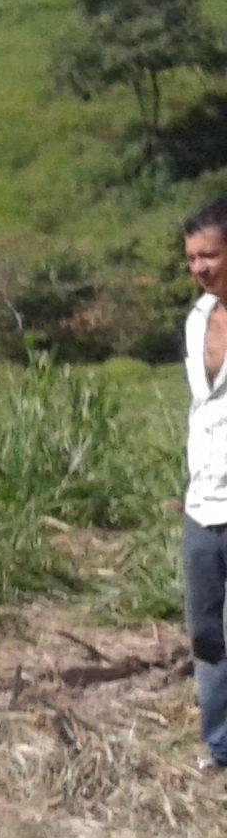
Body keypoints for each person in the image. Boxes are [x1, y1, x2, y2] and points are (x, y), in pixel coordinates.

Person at [180, 200, 227, 768]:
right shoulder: (196, 319)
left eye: (211, 254)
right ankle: (219, 747)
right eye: (193, 258)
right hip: (203, 504)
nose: (200, 267)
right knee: (208, 637)